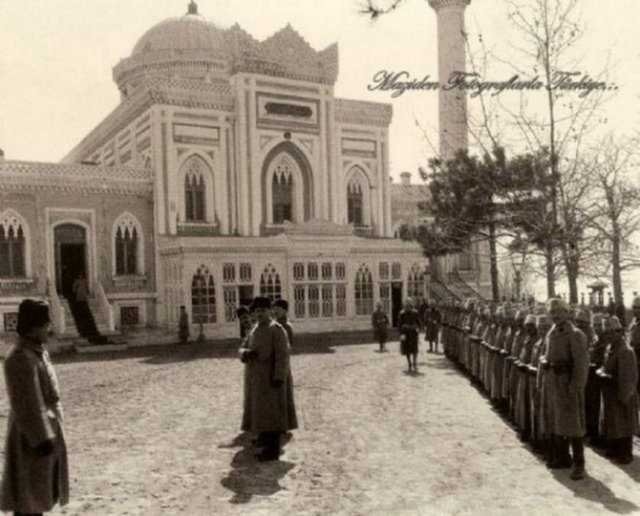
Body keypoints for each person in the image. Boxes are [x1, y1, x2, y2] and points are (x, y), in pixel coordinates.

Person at [1, 299, 69, 515]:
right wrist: (42, 440)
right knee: (28, 500)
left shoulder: (37, 352)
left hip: (44, 435)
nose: (49, 326)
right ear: (33, 326)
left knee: (37, 499)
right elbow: (27, 404)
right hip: (30, 441)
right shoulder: (20, 358)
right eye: (45, 322)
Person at [239, 297, 293, 461]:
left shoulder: (276, 330)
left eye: (263, 310)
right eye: (257, 311)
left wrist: (278, 377)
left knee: (272, 412)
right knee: (259, 410)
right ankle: (263, 437)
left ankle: (272, 450)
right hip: (255, 379)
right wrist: (245, 354)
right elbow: (242, 347)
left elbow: (282, 356)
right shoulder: (254, 329)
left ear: (269, 311)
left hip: (270, 378)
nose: (260, 314)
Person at [540, 297, 589, 480]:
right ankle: (563, 458)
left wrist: (575, 387)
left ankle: (579, 464)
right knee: (558, 422)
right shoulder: (551, 333)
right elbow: (546, 354)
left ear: (567, 312)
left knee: (574, 425)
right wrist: (545, 362)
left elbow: (581, 364)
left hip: (568, 384)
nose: (555, 316)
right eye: (552, 312)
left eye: (559, 311)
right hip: (553, 383)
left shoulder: (576, 335)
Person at [597, 316, 639, 464]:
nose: (609, 336)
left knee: (624, 424)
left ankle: (625, 453)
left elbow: (628, 377)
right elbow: (605, 365)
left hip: (621, 391)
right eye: (607, 333)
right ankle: (615, 449)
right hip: (611, 392)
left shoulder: (625, 351)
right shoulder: (610, 348)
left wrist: (624, 396)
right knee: (613, 423)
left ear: (619, 332)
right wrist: (602, 372)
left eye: (612, 332)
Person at [271, 299, 299, 437]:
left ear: (285, 311)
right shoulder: (275, 325)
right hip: (276, 364)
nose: (275, 311)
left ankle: (283, 425)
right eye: (274, 308)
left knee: (283, 395)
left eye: (278, 309)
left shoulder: (286, 326)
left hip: (283, 365)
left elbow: (287, 348)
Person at [237, 306, 255, 435]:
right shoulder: (245, 330)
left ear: (249, 315)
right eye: (241, 319)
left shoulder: (256, 328)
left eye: (245, 317)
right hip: (250, 365)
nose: (244, 321)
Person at [398, 298, 421, 373]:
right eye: (406, 304)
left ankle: (414, 363)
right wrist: (401, 334)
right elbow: (399, 324)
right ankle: (409, 364)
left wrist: (418, 329)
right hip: (406, 333)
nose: (407, 306)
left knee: (414, 350)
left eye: (409, 304)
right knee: (407, 350)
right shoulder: (402, 313)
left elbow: (419, 323)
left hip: (413, 334)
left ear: (411, 305)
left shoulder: (415, 313)